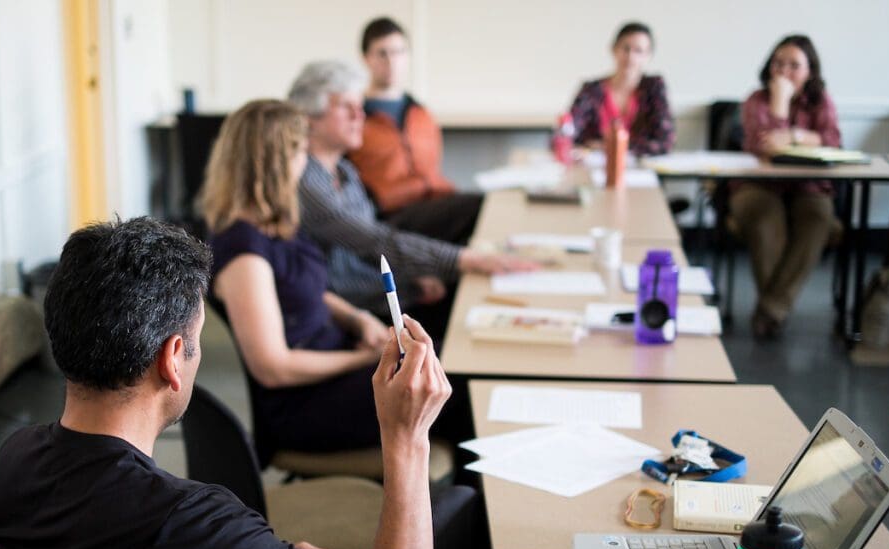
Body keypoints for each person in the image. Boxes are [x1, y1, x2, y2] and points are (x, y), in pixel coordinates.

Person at [0, 217, 495, 549]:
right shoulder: (186, 525)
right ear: (173, 359)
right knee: (469, 520)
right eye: (197, 340)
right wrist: (407, 440)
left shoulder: (17, 458)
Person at [199, 99, 470, 464]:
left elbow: (307, 291)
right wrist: (360, 358)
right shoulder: (242, 249)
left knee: (443, 364)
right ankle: (469, 513)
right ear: (274, 162)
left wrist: (356, 319)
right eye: (299, 150)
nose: (305, 159)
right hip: (305, 403)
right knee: (453, 386)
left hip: (332, 367)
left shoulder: (275, 224)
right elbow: (274, 367)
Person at [288, 60, 539, 332]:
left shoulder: (345, 170)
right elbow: (371, 241)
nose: (359, 115)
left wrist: (415, 277)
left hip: (386, 295)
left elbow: (371, 243)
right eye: (345, 107)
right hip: (359, 315)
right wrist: (467, 260)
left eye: (359, 105)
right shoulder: (306, 182)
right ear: (309, 117)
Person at [729, 35, 842, 339]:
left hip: (808, 186)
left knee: (817, 220)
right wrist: (780, 104)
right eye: (778, 63)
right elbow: (763, 146)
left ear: (810, 71)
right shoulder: (757, 100)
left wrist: (794, 135)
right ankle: (774, 311)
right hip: (759, 185)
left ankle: (771, 308)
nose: (784, 72)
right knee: (766, 222)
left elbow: (832, 140)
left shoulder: (821, 102)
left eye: (794, 65)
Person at [348, 16, 482, 245]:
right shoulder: (355, 118)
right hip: (390, 218)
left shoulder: (421, 115)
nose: (392, 61)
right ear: (366, 59)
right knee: (480, 206)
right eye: (382, 53)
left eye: (399, 52)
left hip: (434, 204)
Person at [566, 22, 675, 156]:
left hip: (641, 171)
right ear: (614, 49)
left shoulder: (653, 88)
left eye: (638, 51)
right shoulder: (591, 91)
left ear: (648, 56)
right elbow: (567, 134)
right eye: (625, 48)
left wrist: (608, 146)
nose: (630, 56)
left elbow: (665, 142)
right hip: (593, 169)